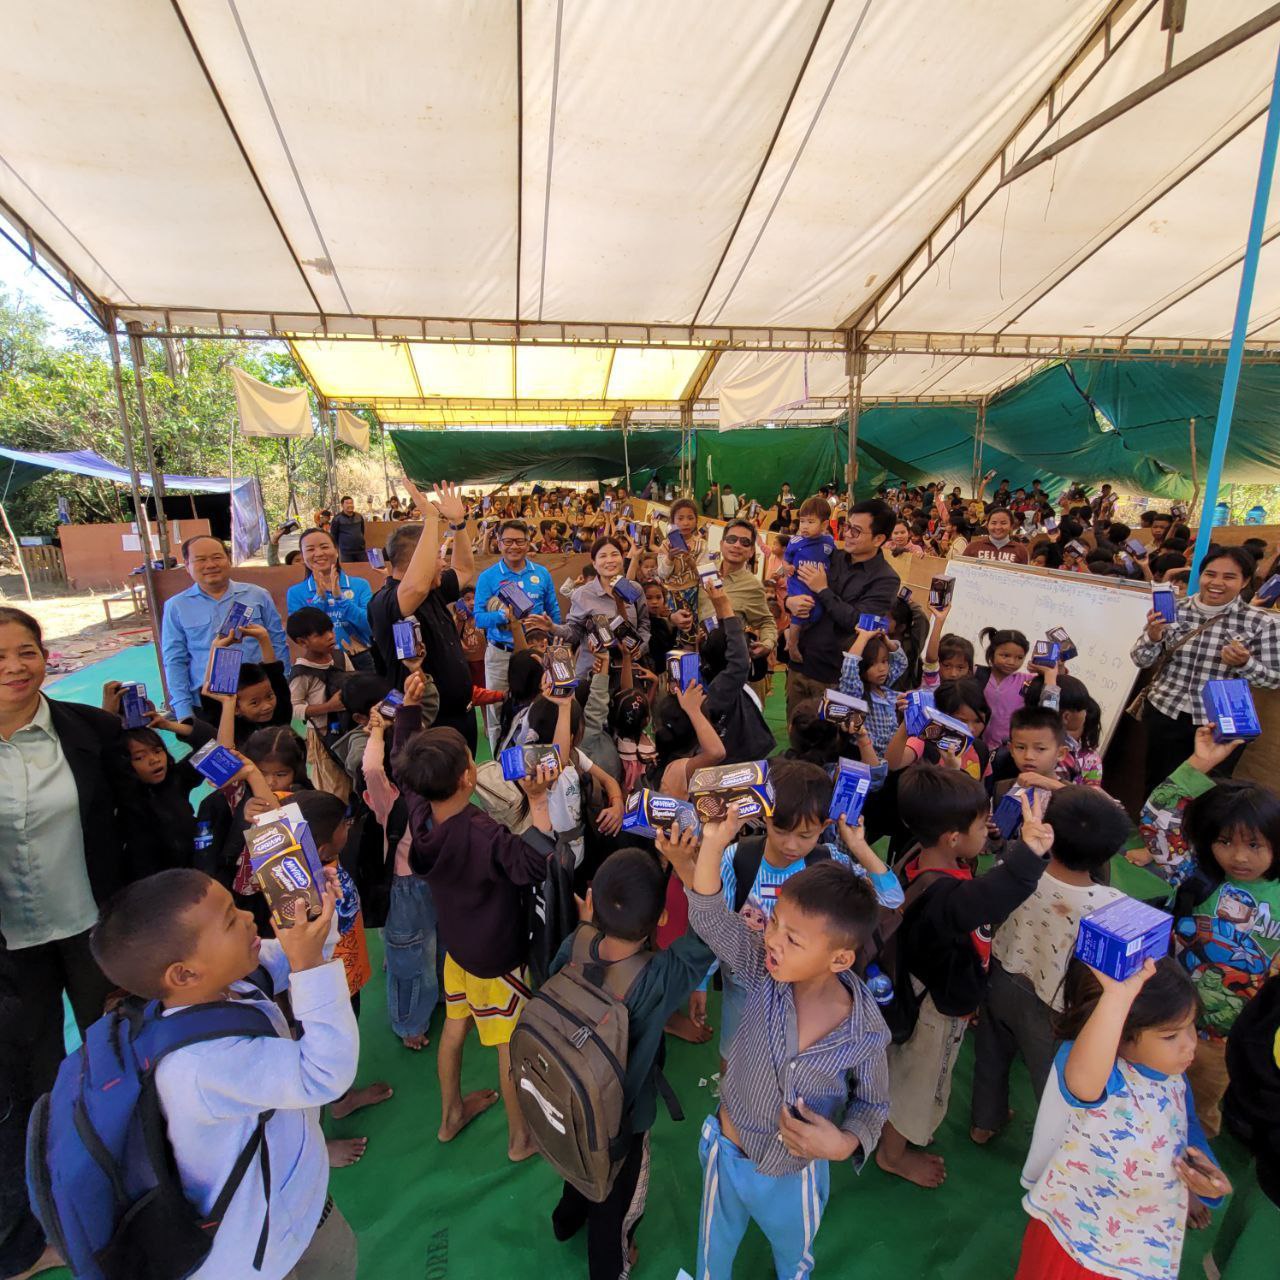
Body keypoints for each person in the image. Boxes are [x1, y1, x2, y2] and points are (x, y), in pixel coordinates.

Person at [89, 867, 361, 1280]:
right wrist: (308, 965)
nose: (250, 917)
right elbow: (325, 1072)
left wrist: (314, 909)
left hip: (297, 1205)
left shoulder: (226, 984)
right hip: (258, 1255)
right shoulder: (200, 1065)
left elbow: (291, 954)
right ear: (184, 973)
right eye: (231, 920)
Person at [666, 808, 890, 1280]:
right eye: (773, 924)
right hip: (727, 1150)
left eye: (793, 939)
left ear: (840, 959)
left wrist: (844, 1142)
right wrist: (715, 842)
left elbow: (873, 1104)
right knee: (712, 1251)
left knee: (794, 1255)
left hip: (795, 1173)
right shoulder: (758, 968)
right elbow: (709, 915)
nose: (771, 940)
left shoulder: (865, 1032)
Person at [0, 608, 138, 1280]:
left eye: (26, 651)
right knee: (24, 1083)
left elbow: (136, 826)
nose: (15, 667)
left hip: (90, 927)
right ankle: (27, 1232)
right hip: (9, 948)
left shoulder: (92, 732)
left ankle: (128, 1192)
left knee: (111, 1057)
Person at [391, 694, 564, 1161]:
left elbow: (402, 766)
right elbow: (534, 863)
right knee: (509, 1045)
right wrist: (539, 799)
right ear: (468, 777)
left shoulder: (421, 813)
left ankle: (450, 1114)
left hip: (458, 950)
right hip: (497, 959)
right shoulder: (483, 834)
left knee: (456, 1027)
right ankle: (520, 1139)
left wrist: (408, 711)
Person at [876, 770, 1051, 1189]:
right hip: (934, 1006)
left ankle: (895, 1131)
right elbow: (992, 896)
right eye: (981, 825)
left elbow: (975, 883)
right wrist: (1029, 854)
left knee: (909, 1069)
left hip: (918, 987)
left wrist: (986, 837)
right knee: (919, 1080)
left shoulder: (921, 856)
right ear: (952, 838)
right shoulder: (947, 899)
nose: (987, 830)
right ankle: (892, 1154)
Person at [546, 848, 714, 1279]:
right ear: (662, 918)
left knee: (579, 1166)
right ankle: (612, 1266)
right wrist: (687, 868)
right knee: (617, 1204)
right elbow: (707, 936)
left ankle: (565, 1221)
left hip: (570, 1098)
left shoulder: (576, 942)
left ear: (593, 901)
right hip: (624, 1121)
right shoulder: (657, 977)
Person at [1014, 958, 1230, 1280]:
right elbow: (1084, 1082)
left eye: (1191, 1027)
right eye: (1170, 1036)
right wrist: (1117, 998)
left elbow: (1187, 1130)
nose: (1190, 1045)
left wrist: (1205, 1182)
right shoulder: (1102, 1073)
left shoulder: (1174, 1078)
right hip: (1077, 1246)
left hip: (1139, 1249)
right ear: (1121, 1035)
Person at [1131, 726, 1280, 1136]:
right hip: (1163, 1015)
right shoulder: (1194, 872)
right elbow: (1157, 820)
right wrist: (1200, 763)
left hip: (1223, 1040)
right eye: (1225, 841)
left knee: (1195, 1113)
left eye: (1254, 845)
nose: (1238, 856)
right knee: (1140, 1094)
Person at [970, 787, 1132, 1144]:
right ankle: (1056, 1142)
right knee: (1049, 1076)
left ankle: (984, 1123)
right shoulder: (1112, 905)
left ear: (1049, 830)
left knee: (991, 1054)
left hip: (1001, 976)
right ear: (1110, 852)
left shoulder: (1017, 870)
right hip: (1054, 1003)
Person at [713, 760, 904, 1060]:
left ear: (825, 827)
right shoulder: (737, 858)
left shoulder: (829, 863)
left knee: (788, 1060)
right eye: (781, 830)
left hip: (804, 991)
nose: (791, 845)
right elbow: (716, 923)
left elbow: (891, 898)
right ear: (765, 818)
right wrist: (701, 983)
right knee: (734, 1053)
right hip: (744, 985)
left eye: (805, 835)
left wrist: (858, 845)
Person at [1131, 545, 1280, 793]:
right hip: (1166, 713)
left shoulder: (1260, 622)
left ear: (1244, 582)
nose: (1217, 583)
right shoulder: (1174, 609)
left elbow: (1274, 679)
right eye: (1210, 574)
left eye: (1229, 577)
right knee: (1159, 786)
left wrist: (1244, 664)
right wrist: (1153, 636)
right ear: (1200, 576)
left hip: (1220, 725)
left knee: (1206, 794)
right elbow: (1140, 660)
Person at [368, 480, 478, 750]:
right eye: (438, 556)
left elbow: (464, 569)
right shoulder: (385, 602)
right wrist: (430, 518)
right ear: (418, 560)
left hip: (462, 717)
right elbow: (415, 587)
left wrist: (459, 524)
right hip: (428, 726)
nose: (443, 562)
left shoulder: (434, 589)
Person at [783, 498, 900, 721]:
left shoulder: (886, 579)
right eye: (847, 526)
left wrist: (823, 590)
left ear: (879, 539)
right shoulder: (830, 555)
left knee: (828, 738)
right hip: (800, 664)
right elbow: (796, 585)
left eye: (856, 531)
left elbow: (858, 623)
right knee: (795, 732)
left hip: (836, 678)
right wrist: (789, 602)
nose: (847, 534)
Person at [160, 535, 289, 724]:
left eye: (217, 557)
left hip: (259, 699)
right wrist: (183, 710)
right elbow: (175, 660)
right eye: (201, 559)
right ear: (187, 565)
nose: (210, 565)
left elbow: (278, 642)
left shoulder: (257, 595)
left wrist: (282, 687)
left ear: (228, 559)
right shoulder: (176, 606)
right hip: (210, 702)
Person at [472, 519, 562, 749]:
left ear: (528, 542)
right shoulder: (488, 577)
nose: (514, 546)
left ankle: (534, 757)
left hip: (535, 654)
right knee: (497, 711)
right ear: (499, 543)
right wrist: (503, 616)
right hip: (500, 654)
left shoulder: (541, 573)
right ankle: (499, 761)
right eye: (508, 541)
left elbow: (554, 612)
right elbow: (479, 618)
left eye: (520, 541)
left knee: (538, 706)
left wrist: (550, 627)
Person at [696, 518, 777, 703]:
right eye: (732, 539)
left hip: (729, 667)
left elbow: (766, 621)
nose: (737, 545)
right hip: (697, 660)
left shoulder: (753, 586)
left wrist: (767, 644)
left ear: (751, 551)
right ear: (721, 544)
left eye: (745, 542)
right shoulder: (703, 573)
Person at [554, 536, 651, 679]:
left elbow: (644, 624)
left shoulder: (634, 588)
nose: (609, 560)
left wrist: (641, 648)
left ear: (623, 557)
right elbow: (574, 633)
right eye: (603, 556)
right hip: (592, 672)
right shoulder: (582, 594)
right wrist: (552, 627)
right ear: (594, 563)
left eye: (614, 554)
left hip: (628, 670)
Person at [285, 527, 375, 671]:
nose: (319, 553)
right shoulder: (296, 592)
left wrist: (341, 599)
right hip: (320, 663)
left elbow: (370, 626)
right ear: (302, 556)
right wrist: (319, 599)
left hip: (361, 659)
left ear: (336, 550)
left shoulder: (360, 585)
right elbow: (301, 633)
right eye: (310, 549)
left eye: (324, 547)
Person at [781, 497, 838, 664]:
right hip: (799, 584)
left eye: (811, 522)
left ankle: (789, 633)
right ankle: (792, 644)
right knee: (801, 612)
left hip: (818, 587)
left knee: (817, 613)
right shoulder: (795, 541)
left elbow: (834, 560)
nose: (804, 526)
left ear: (824, 525)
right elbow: (785, 560)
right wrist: (786, 567)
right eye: (802, 521)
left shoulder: (828, 542)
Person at [961, 508, 1029, 564]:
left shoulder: (1021, 551)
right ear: (987, 525)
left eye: (1003, 523)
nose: (998, 527)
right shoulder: (972, 547)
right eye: (993, 523)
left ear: (1011, 526)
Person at [328, 494, 367, 561]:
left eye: (351, 503)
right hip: (345, 553)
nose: (350, 505)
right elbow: (334, 535)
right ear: (342, 505)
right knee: (347, 567)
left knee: (364, 566)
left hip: (361, 551)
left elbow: (362, 531)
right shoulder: (337, 519)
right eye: (347, 503)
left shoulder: (359, 516)